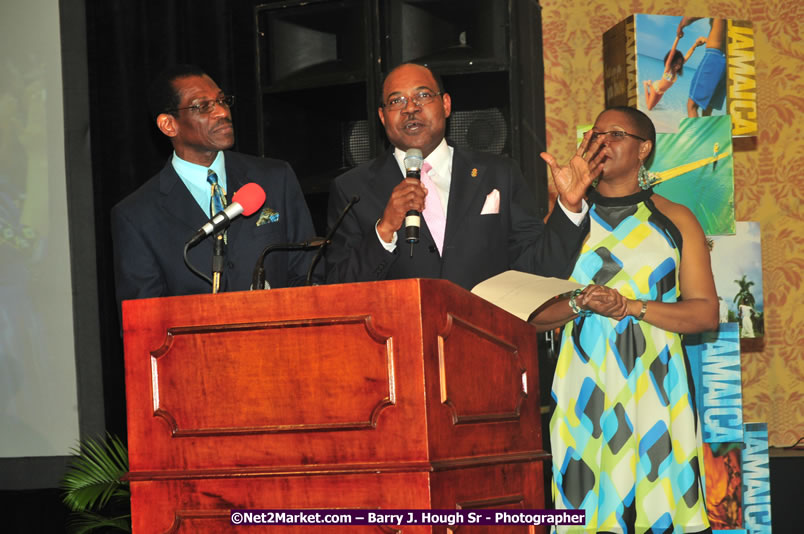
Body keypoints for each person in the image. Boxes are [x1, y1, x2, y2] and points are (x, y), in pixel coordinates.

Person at [531, 107, 718, 533]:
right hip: (585, 390)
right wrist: (581, 302)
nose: (601, 142)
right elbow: (535, 316)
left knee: (661, 508)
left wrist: (633, 307)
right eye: (594, 134)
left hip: (658, 389)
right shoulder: (566, 221)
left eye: (614, 134)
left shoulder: (676, 219)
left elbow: (705, 312)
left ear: (644, 149)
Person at [325, 63, 593, 290]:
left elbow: (539, 268)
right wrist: (384, 230)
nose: (410, 108)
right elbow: (338, 290)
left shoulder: (499, 173)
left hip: (485, 341)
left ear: (446, 104)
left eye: (422, 96)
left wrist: (568, 208)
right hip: (398, 345)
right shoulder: (352, 188)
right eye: (397, 101)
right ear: (383, 117)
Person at [111, 65, 318, 308]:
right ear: (169, 125)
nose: (221, 111)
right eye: (203, 106)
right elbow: (145, 323)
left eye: (222, 100)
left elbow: (309, 274)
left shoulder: (275, 178)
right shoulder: (137, 215)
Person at [678, 17, 728, 117]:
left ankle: (696, 133)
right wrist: (707, 39)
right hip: (726, 61)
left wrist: (681, 25)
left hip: (713, 56)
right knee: (708, 108)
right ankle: (707, 132)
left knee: (691, 106)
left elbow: (692, 16)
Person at [643, 35, 707, 110]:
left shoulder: (676, 71)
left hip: (662, 92)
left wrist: (695, 45)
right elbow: (672, 53)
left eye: (680, 64)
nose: (678, 66)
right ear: (672, 61)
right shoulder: (668, 69)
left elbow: (688, 55)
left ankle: (649, 85)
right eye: (676, 63)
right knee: (649, 107)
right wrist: (677, 38)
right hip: (655, 88)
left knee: (653, 106)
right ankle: (646, 85)